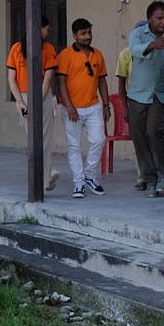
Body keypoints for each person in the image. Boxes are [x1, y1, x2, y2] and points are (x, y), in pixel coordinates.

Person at [55, 18, 112, 198]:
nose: (87, 36)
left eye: (89, 32)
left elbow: (102, 81)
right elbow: (60, 83)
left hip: (93, 106)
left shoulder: (98, 54)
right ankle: (78, 183)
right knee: (74, 146)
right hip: (71, 109)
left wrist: (106, 105)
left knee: (99, 140)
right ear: (74, 35)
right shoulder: (65, 55)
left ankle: (89, 175)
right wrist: (70, 107)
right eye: (83, 33)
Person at [126, 0, 164, 193]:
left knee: (154, 133)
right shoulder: (138, 34)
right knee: (138, 136)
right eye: (159, 18)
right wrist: (152, 45)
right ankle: (149, 178)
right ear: (149, 19)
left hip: (160, 94)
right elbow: (133, 49)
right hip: (137, 94)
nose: (163, 22)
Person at [6, 16, 61, 191]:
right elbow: (46, 79)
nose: (48, 32)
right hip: (37, 96)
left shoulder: (18, 48)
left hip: (29, 97)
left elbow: (13, 80)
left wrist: (22, 103)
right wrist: (29, 102)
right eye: (47, 28)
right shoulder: (42, 48)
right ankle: (45, 177)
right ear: (39, 28)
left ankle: (45, 176)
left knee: (36, 138)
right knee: (42, 138)